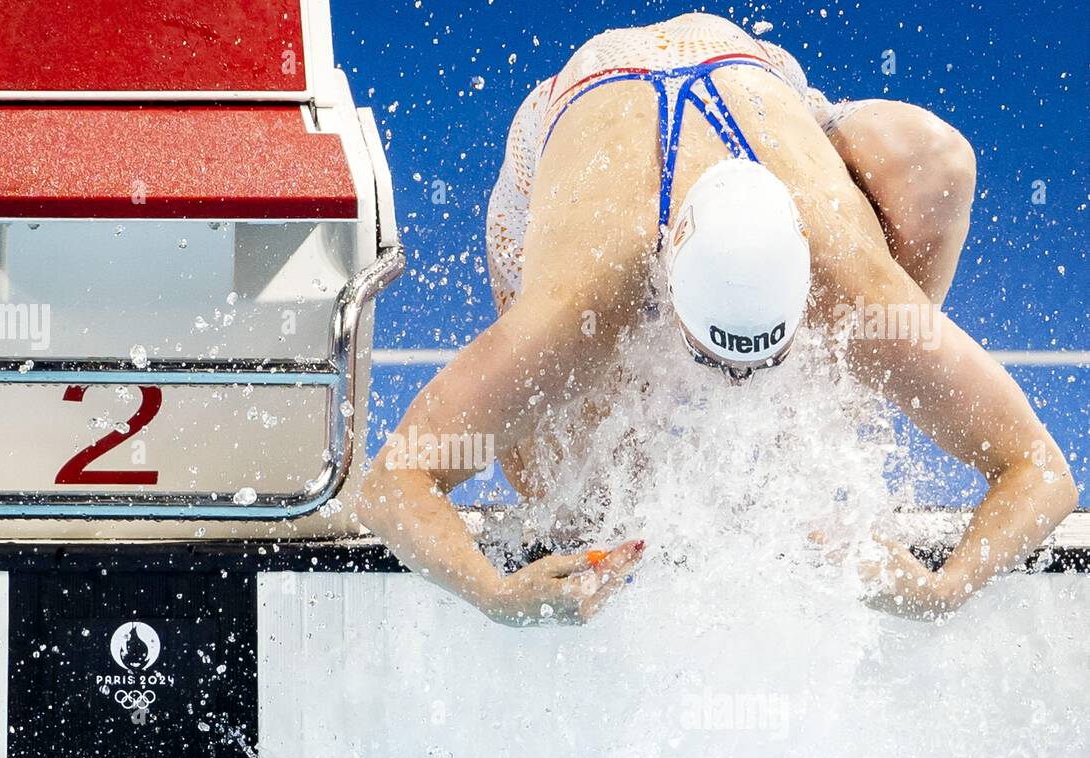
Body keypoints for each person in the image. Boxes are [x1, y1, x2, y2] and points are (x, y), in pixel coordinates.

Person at [358, 13, 1078, 626]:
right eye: (714, 358)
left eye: (766, 358)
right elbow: (397, 482)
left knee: (936, 167)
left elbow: (1041, 471)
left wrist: (936, 591)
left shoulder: (855, 286)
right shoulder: (584, 299)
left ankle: (853, 414)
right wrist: (496, 593)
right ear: (666, 291)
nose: (739, 386)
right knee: (558, 481)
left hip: (753, 82)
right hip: (584, 113)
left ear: (806, 285)